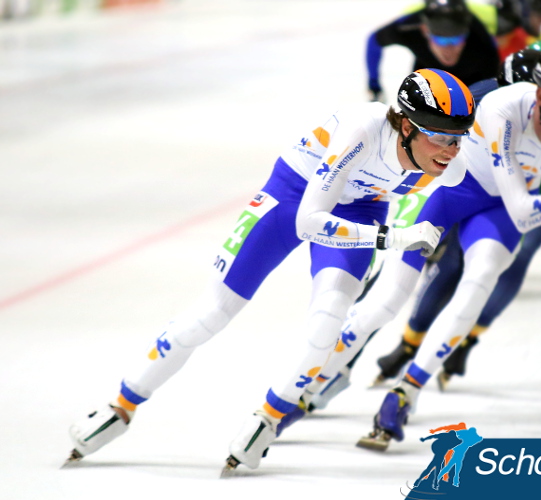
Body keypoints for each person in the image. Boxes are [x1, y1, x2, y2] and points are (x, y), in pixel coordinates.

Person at [64, 68, 476, 473]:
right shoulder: (363, 129)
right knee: (211, 313)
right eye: (440, 136)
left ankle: (270, 417)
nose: (450, 150)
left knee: (328, 323)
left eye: (459, 138)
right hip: (293, 194)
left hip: (364, 206)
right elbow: (307, 221)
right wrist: (393, 237)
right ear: (404, 125)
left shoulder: (450, 164)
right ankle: (121, 405)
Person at [292, 39, 541, 451]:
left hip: (502, 203)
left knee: (483, 275)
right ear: (537, 95)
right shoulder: (501, 106)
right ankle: (316, 378)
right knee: (387, 298)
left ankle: (406, 392)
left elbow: (537, 194)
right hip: (452, 188)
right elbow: (524, 209)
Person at [366, 0, 500, 102]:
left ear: (466, 35)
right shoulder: (408, 29)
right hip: (427, 74)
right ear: (425, 31)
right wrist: (374, 85)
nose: (448, 49)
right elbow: (374, 41)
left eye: (455, 40)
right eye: (441, 41)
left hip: (473, 79)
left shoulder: (481, 40)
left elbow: (494, 83)